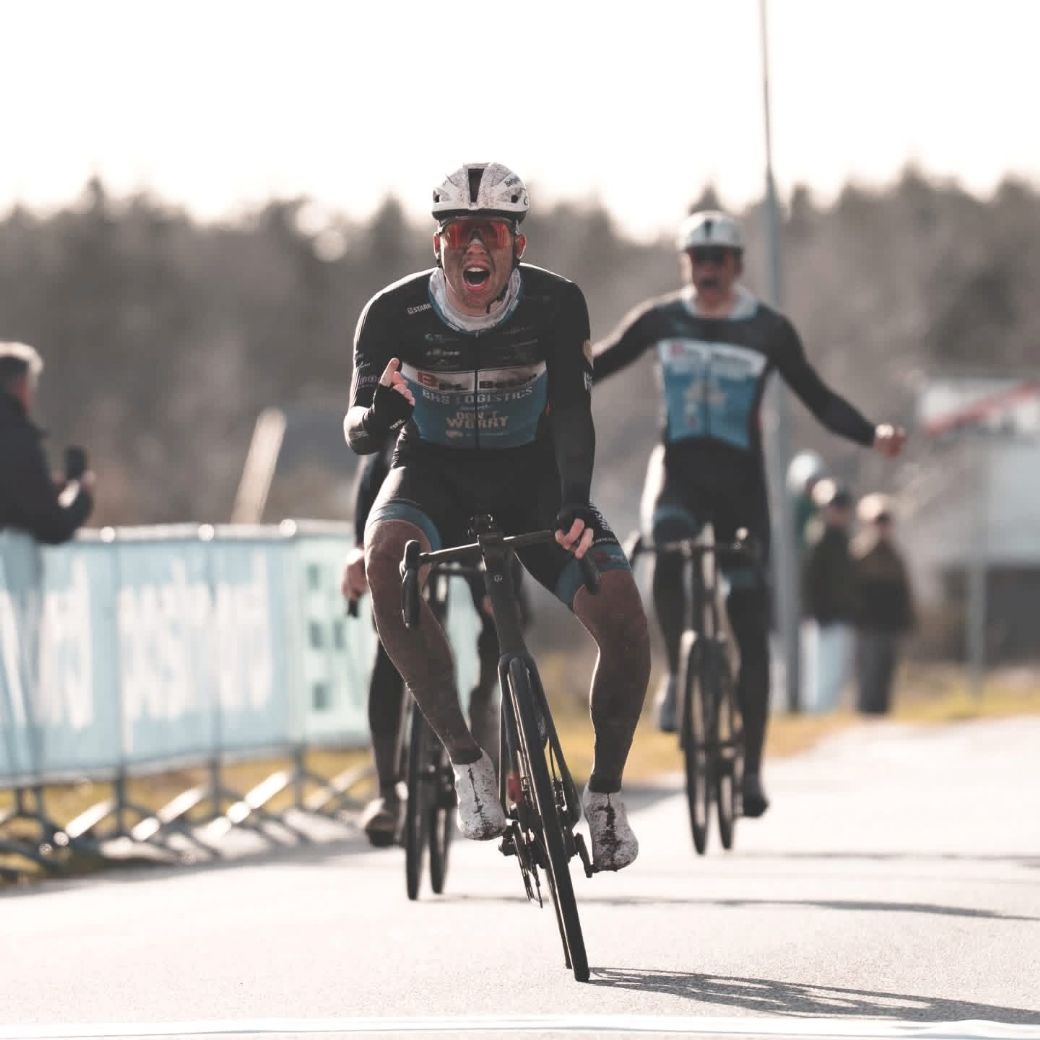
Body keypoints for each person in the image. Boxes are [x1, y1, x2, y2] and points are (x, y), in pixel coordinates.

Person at [344, 163, 649, 870]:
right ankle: (466, 761)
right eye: (460, 234)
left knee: (625, 618)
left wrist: (576, 497)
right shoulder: (392, 313)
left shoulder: (556, 303)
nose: (475, 246)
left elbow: (572, 412)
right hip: (433, 475)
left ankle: (605, 796)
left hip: (531, 479)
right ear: (438, 246)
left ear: (519, 245)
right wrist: (378, 414)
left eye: (492, 233)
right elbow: (357, 430)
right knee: (386, 561)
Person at [592, 210, 905, 818]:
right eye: (698, 260)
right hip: (679, 472)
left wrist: (872, 434)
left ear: (736, 265)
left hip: (740, 485)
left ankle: (752, 770)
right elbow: (596, 365)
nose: (708, 270)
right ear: (686, 265)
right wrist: (537, 382)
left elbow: (818, 398)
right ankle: (677, 676)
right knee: (665, 546)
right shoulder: (660, 319)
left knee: (747, 611)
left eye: (719, 260)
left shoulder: (768, 329)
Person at [342, 434, 521, 845]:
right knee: (392, 641)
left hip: (477, 520)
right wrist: (358, 548)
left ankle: (484, 706)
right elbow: (373, 471)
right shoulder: (401, 422)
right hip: (414, 521)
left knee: (503, 614)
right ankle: (388, 791)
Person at [0, 341, 94, 544]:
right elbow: (52, 527)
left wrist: (45, 490)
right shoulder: (16, 438)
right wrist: (81, 496)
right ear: (22, 386)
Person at [851, 493, 915, 714]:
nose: (882, 527)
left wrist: (907, 620)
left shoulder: (895, 555)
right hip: (868, 623)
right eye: (878, 522)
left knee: (887, 669)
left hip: (890, 623)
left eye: (886, 522)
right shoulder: (860, 554)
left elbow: (904, 591)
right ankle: (865, 711)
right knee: (869, 669)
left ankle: (881, 712)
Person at [802, 481, 857, 713]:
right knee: (821, 670)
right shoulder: (820, 538)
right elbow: (809, 581)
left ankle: (828, 710)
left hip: (841, 614)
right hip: (823, 616)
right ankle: (818, 711)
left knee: (836, 670)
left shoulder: (843, 538)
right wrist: (815, 611)